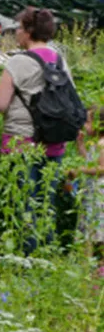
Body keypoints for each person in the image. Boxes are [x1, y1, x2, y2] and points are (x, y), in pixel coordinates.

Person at [0, 7, 73, 254]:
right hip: (54, 142)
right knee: (46, 203)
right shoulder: (60, 60)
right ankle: (45, 257)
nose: (16, 32)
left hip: (21, 142)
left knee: (23, 205)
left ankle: (25, 259)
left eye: (19, 28)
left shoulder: (18, 62)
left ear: (28, 32)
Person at [68, 106, 103, 251]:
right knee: (89, 228)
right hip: (91, 191)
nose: (84, 125)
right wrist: (80, 145)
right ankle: (90, 266)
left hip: (99, 193)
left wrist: (80, 170)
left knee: (97, 229)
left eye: (88, 122)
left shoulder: (102, 144)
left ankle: (99, 266)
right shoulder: (96, 143)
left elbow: (101, 168)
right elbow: (90, 161)